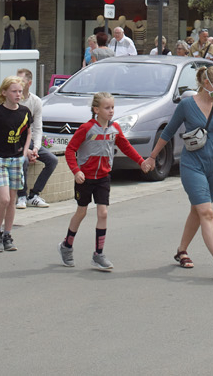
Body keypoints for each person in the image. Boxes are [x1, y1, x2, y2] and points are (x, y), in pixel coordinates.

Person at [145, 63, 213, 277]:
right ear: (206, 83)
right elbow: (168, 132)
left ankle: (181, 251)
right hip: (192, 163)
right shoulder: (187, 105)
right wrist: (152, 156)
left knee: (198, 210)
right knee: (206, 211)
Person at [59, 91, 148, 270]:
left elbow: (125, 146)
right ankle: (67, 246)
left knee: (103, 213)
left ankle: (98, 254)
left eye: (112, 107)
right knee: (81, 212)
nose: (111, 111)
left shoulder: (115, 129)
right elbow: (70, 150)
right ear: (96, 110)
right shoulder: (86, 128)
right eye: (107, 108)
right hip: (85, 178)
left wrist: (141, 161)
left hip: (103, 177)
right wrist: (76, 171)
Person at [0, 76, 33, 252]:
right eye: (14, 91)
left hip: (16, 159)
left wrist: (25, 153)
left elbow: (28, 133)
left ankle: (7, 234)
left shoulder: (25, 112)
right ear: (4, 92)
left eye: (20, 91)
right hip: (0, 159)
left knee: (12, 200)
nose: (18, 94)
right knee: (4, 199)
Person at [15, 68, 54, 208]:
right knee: (23, 160)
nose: (18, 84)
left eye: (21, 81)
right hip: (13, 142)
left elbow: (37, 127)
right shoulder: (14, 100)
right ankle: (21, 196)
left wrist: (36, 148)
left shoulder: (36, 101)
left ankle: (34, 195)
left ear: (29, 83)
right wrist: (25, 151)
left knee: (52, 160)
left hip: (28, 140)